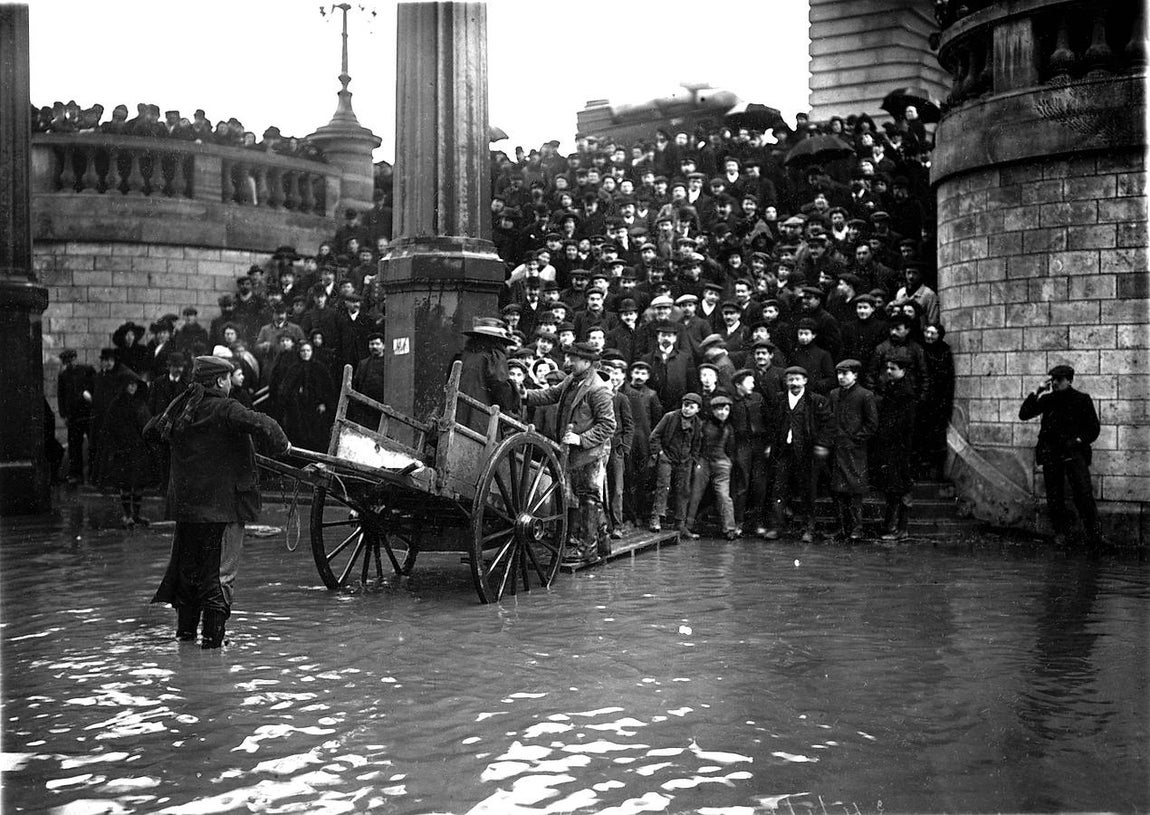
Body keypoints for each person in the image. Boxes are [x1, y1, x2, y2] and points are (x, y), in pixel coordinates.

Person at [145, 355, 290, 648]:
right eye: (228, 379)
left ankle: (185, 639)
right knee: (221, 575)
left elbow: (151, 431)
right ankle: (212, 647)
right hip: (223, 510)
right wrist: (282, 444)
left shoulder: (181, 407)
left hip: (188, 511)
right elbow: (263, 423)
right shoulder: (225, 408)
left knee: (189, 572)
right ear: (220, 381)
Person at [522, 342, 617, 565]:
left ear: (587, 362)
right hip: (576, 452)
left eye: (573, 359)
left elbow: (608, 426)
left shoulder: (597, 389)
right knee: (590, 498)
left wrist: (581, 439)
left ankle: (588, 551)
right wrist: (526, 395)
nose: (569, 362)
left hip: (591, 453)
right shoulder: (572, 380)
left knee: (588, 500)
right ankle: (603, 544)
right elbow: (551, 395)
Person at [1018, 364, 1103, 549]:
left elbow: (1093, 428)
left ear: (1069, 380)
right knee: (1054, 496)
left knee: (1083, 494)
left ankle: (1094, 537)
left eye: (1059, 379)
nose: (1055, 383)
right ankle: (1061, 534)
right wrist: (1038, 390)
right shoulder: (1048, 400)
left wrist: (1079, 440)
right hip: (1052, 454)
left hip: (1074, 452)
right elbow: (1023, 414)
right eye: (1053, 379)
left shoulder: (1082, 399)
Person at [766, 366, 833, 542]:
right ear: (786, 382)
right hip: (784, 451)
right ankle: (777, 527)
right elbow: (772, 424)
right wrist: (770, 445)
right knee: (778, 490)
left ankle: (808, 529)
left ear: (805, 381)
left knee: (807, 491)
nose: (794, 383)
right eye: (790, 380)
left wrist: (821, 444)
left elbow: (828, 424)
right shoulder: (780, 399)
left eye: (797, 379)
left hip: (806, 453)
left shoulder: (815, 400)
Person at [95, 369, 155, 528]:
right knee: (126, 483)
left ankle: (136, 514)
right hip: (123, 450)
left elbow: (146, 422)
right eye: (129, 385)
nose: (132, 388)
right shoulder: (117, 404)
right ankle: (127, 514)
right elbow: (111, 427)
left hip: (139, 449)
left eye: (134, 385)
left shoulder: (139, 402)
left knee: (139, 483)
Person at [828, 359, 878, 540]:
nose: (841, 377)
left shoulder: (865, 395)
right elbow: (830, 418)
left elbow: (872, 424)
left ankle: (857, 528)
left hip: (855, 450)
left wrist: (856, 438)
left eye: (845, 373)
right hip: (838, 449)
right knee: (837, 490)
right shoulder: (834, 394)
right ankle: (841, 527)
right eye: (839, 373)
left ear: (855, 375)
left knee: (855, 490)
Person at [683, 394, 739, 540]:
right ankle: (687, 526)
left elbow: (731, 449)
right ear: (713, 411)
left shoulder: (729, 428)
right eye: (719, 410)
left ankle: (729, 528)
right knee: (695, 493)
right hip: (704, 461)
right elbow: (696, 443)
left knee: (723, 495)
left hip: (721, 463)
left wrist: (727, 463)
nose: (722, 413)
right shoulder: (703, 425)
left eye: (726, 410)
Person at [648, 392, 704, 534]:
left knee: (683, 490)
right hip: (667, 457)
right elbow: (655, 436)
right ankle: (656, 518)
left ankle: (680, 522)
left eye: (691, 407)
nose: (687, 409)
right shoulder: (670, 417)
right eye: (685, 405)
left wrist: (693, 459)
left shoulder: (698, 424)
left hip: (685, 461)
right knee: (663, 487)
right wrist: (660, 453)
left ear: (697, 409)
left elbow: (697, 443)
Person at [875, 355, 917, 540]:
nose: (889, 372)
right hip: (892, 446)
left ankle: (901, 528)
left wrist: (888, 435)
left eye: (893, 368)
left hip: (900, 447)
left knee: (899, 487)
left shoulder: (905, 393)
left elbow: (904, 423)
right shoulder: (893, 388)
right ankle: (892, 527)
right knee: (893, 487)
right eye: (888, 368)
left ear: (903, 370)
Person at [457, 318, 521, 433]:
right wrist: (513, 398)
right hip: (481, 422)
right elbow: (501, 387)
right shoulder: (494, 356)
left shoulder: (464, 355)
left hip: (458, 416)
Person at [57, 349, 95, 484]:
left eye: (73, 359)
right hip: (73, 416)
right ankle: (76, 475)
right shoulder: (63, 375)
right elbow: (61, 396)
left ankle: (93, 475)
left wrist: (90, 398)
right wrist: (64, 415)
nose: (71, 362)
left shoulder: (87, 370)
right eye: (68, 361)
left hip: (87, 414)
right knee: (74, 446)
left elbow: (95, 388)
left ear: (76, 358)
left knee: (92, 444)